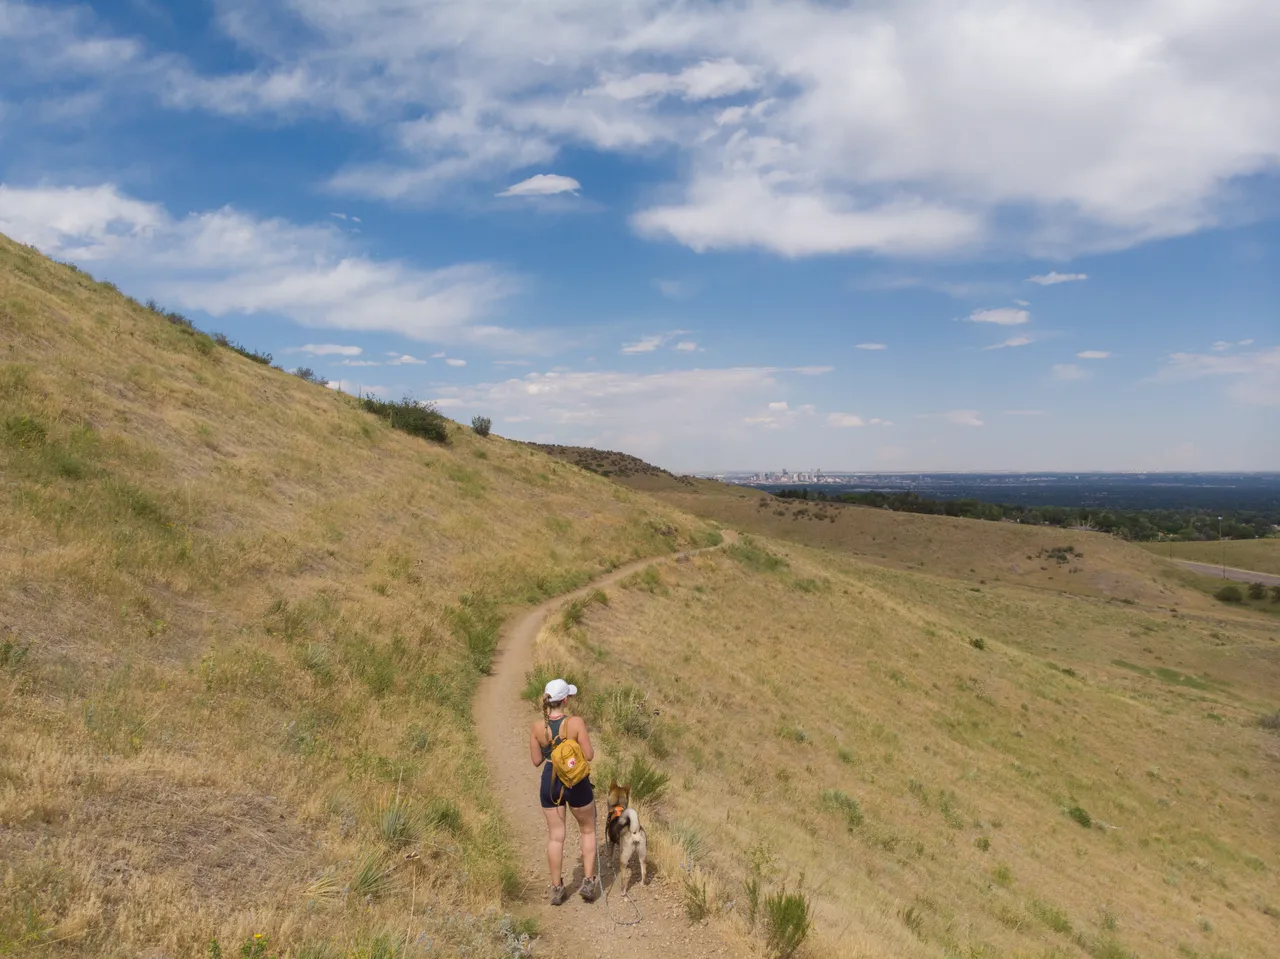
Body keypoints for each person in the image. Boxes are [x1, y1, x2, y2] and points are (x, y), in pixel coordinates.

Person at [529, 678, 601, 904]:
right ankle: (588, 882)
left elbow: (536, 761)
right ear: (565, 699)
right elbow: (588, 756)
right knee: (587, 831)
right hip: (576, 781)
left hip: (551, 783)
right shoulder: (576, 723)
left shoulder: (537, 727)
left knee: (556, 836)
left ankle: (557, 888)